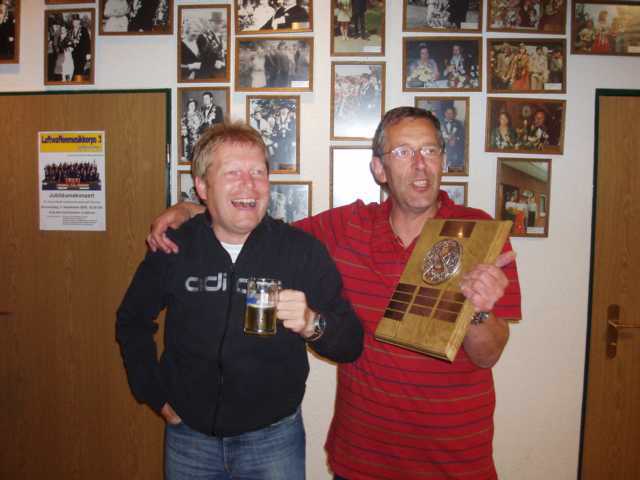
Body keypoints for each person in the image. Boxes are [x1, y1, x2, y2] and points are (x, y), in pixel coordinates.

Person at [147, 107, 522, 479]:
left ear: (443, 161)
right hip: (362, 461)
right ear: (379, 169)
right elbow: (261, 232)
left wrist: (477, 311)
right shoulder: (349, 226)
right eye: (403, 152)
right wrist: (195, 209)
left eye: (430, 150)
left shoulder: (477, 231)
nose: (420, 164)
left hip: (454, 460)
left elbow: (487, 355)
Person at [117, 121, 363, 480]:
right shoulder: (174, 247)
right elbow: (132, 321)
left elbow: (351, 343)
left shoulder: (301, 251)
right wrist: (153, 393)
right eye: (233, 172)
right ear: (203, 187)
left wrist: (312, 323)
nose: (249, 184)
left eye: (258, 172)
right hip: (189, 439)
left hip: (273, 442)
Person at [441, 106, 465, 172]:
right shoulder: (439, 123)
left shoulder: (459, 124)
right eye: (447, 113)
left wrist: (456, 139)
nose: (449, 115)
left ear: (454, 114)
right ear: (445, 113)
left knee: (453, 170)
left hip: (455, 151)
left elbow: (462, 136)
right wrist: (443, 140)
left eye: (451, 113)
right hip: (443, 150)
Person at [70, 15, 91, 79]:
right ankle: (76, 81)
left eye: (77, 21)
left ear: (79, 22)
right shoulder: (71, 31)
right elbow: (68, 41)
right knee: (75, 68)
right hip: (74, 54)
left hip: (82, 53)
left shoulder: (83, 30)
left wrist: (88, 53)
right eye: (74, 21)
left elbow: (88, 42)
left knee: (79, 69)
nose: (75, 23)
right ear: (72, 22)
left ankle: (77, 81)